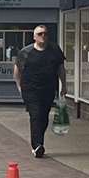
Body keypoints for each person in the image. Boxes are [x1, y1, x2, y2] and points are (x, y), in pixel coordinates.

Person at [13, 25, 66, 158]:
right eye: (40, 34)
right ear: (34, 37)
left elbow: (61, 69)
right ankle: (37, 145)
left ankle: (38, 142)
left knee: (44, 117)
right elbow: (17, 70)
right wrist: (20, 87)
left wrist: (64, 85)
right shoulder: (26, 52)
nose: (43, 36)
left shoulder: (54, 50)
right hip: (30, 90)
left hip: (48, 89)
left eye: (45, 34)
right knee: (35, 115)